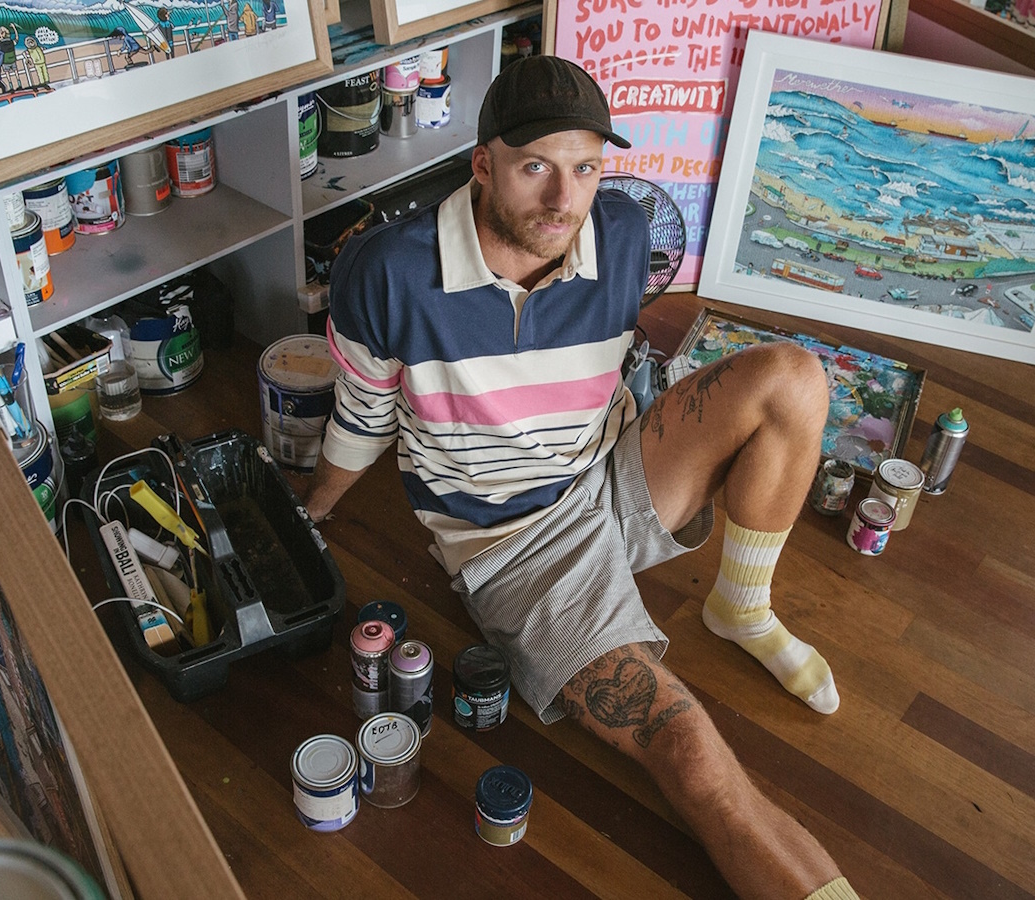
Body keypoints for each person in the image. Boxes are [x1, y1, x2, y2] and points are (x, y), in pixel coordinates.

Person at [299, 54, 856, 900]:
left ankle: (740, 605)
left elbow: (613, 350)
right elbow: (367, 417)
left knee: (793, 378)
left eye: (587, 169)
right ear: (481, 164)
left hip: (612, 469)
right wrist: (314, 512)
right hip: (514, 548)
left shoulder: (624, 231)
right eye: (536, 168)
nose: (566, 200)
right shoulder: (385, 271)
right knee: (689, 752)